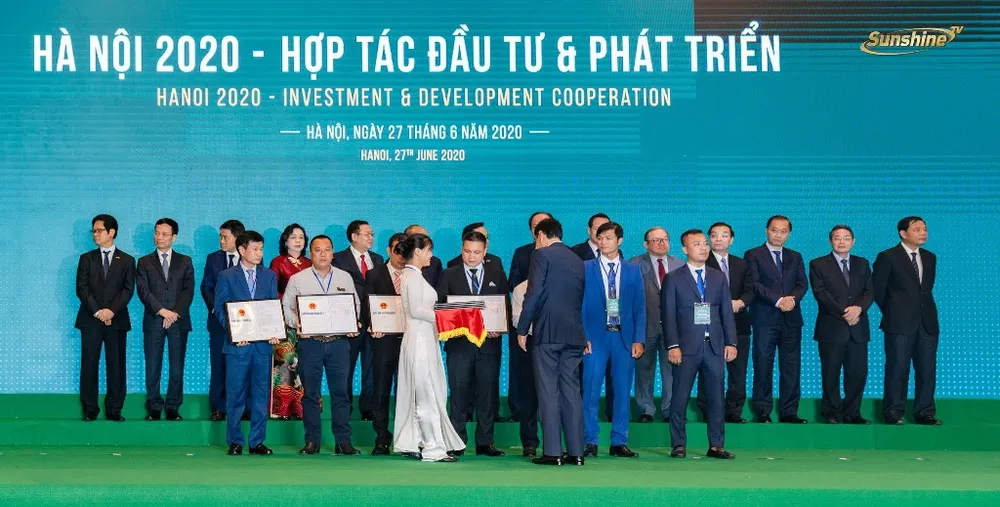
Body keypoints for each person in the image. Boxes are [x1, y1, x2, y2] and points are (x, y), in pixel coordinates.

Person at [661, 229, 738, 460]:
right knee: (680, 397)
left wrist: (731, 342)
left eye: (705, 243)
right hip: (685, 348)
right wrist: (672, 345)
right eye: (697, 244)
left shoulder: (718, 277)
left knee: (716, 398)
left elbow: (726, 312)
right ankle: (678, 444)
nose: (704, 248)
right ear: (685, 249)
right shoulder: (674, 278)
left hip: (714, 346)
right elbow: (668, 314)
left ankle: (716, 445)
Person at [516, 218, 587, 466]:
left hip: (547, 332)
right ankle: (576, 452)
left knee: (548, 392)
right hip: (574, 334)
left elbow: (533, 294)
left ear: (542, 235)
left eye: (536, 238)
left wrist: (522, 328)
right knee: (571, 392)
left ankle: (553, 452)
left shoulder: (541, 255)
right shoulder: (577, 259)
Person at [283, 235, 362, 455]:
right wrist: (296, 322)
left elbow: (354, 304)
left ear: (333, 253)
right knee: (310, 394)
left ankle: (343, 441)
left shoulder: (345, 277)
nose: (323, 254)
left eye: (327, 249)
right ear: (310, 254)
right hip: (311, 344)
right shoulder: (298, 279)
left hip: (338, 343)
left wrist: (353, 321)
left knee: (341, 393)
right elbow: (286, 306)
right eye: (318, 250)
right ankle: (312, 441)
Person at [392, 233, 465, 462]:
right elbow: (416, 310)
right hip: (419, 341)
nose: (431, 255)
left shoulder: (413, 275)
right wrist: (449, 316)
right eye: (428, 250)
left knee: (424, 392)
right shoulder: (412, 277)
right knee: (426, 393)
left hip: (423, 338)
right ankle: (433, 448)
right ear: (418, 252)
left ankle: (417, 441)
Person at [437, 231, 509, 457]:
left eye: (477, 252)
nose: (471, 256)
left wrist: (501, 327)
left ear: (485, 251)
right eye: (467, 251)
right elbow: (440, 309)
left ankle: (485, 442)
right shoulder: (448, 274)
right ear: (462, 249)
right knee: (458, 394)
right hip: (460, 345)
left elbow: (504, 307)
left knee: (487, 393)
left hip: (489, 345)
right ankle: (456, 441)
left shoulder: (498, 274)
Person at [581, 222, 645, 458]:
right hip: (594, 338)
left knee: (622, 390)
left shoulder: (633, 270)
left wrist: (639, 339)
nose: (603, 242)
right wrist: (582, 336)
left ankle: (619, 441)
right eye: (600, 238)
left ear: (620, 241)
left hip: (623, 338)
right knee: (590, 389)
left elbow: (640, 307)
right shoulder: (585, 268)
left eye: (608, 238)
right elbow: (578, 305)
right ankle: (589, 440)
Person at [214, 231, 281, 455]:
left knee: (261, 395)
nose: (259, 253)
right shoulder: (226, 276)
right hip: (238, 346)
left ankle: (256, 442)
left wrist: (273, 332)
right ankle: (235, 441)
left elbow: (271, 307)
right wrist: (235, 332)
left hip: (262, 346)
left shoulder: (269, 275)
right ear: (242, 250)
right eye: (255, 249)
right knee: (235, 395)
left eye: (261, 249)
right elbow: (220, 308)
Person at [873, 216, 940, 425]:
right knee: (897, 368)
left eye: (925, 229)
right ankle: (893, 412)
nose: (923, 233)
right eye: (917, 229)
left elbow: (925, 290)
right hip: (898, 322)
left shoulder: (930, 257)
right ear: (903, 233)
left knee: (927, 369)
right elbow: (878, 290)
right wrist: (893, 311)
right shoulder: (888, 256)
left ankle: (925, 412)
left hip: (927, 322)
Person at [744, 215, 808, 424]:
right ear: (766, 231)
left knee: (791, 366)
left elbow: (802, 283)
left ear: (788, 234)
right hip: (765, 318)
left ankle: (789, 411)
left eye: (783, 231)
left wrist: (791, 300)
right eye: (774, 230)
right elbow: (754, 284)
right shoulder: (753, 254)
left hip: (791, 319)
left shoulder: (795, 256)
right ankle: (763, 411)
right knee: (763, 364)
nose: (778, 235)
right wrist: (779, 301)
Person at [809, 225, 874, 424]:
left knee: (858, 372)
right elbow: (821, 293)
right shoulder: (818, 264)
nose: (841, 241)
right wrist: (845, 313)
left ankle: (852, 413)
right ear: (831, 241)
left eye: (846, 238)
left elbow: (870, 291)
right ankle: (831, 413)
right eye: (837, 238)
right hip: (832, 327)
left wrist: (858, 309)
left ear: (853, 241)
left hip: (858, 327)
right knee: (831, 372)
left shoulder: (862, 263)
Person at [76, 214, 135, 422]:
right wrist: (99, 312)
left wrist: (111, 311)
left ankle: (114, 409)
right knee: (89, 364)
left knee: (116, 365)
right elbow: (82, 289)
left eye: (99, 230)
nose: (95, 234)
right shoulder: (86, 258)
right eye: (93, 231)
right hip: (90, 319)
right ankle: (90, 409)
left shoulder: (127, 260)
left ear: (112, 232)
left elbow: (128, 290)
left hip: (117, 320)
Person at [136, 217, 194, 421]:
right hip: (154, 320)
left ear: (174, 237)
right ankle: (154, 407)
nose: (159, 237)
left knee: (177, 367)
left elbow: (188, 290)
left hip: (178, 321)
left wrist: (174, 313)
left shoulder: (185, 261)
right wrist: (162, 311)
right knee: (153, 365)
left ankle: (173, 407)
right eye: (157, 233)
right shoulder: (144, 262)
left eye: (164, 234)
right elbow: (143, 291)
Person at [697, 222, 754, 423]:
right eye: (714, 235)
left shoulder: (742, 264)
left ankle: (733, 411)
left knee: (738, 372)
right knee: (709, 370)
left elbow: (751, 288)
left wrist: (741, 302)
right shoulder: (701, 262)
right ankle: (709, 411)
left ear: (731, 239)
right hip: (709, 325)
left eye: (724, 235)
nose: (719, 239)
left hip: (739, 324)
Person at [629, 226, 684, 423]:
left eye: (665, 239)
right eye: (656, 240)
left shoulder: (680, 264)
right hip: (645, 326)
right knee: (644, 370)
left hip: (673, 329)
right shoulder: (634, 264)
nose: (662, 243)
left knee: (672, 371)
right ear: (646, 244)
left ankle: (670, 410)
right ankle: (646, 409)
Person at [363, 233, 408, 455]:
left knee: (408, 391)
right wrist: (372, 324)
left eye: (405, 251)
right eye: (397, 250)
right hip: (383, 341)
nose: (401, 255)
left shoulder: (416, 274)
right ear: (389, 250)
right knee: (381, 390)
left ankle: (407, 439)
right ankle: (381, 438)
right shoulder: (374, 274)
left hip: (409, 340)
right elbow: (366, 305)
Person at [333, 220, 381, 421]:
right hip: (349, 323)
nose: (371, 238)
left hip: (372, 323)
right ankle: (345, 408)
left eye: (372, 234)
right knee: (346, 368)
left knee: (371, 368)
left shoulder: (378, 259)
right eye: (367, 234)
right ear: (354, 236)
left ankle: (368, 409)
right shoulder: (338, 259)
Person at [507, 211, 552, 423]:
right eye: (535, 226)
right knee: (523, 375)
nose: (539, 229)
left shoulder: (563, 254)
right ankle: (521, 415)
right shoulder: (522, 252)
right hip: (525, 324)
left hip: (553, 330)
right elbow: (513, 282)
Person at [200, 219, 245, 421]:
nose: (221, 240)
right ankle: (218, 408)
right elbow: (206, 286)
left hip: (244, 323)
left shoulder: (250, 256)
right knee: (219, 365)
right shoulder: (213, 259)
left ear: (237, 238)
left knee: (242, 366)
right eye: (220, 236)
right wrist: (217, 309)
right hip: (218, 322)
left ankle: (243, 407)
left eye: (225, 237)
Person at [268, 223, 311, 419]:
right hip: (284, 319)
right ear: (285, 241)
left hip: (308, 319)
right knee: (286, 362)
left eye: (301, 237)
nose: (298, 240)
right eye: (293, 237)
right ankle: (282, 409)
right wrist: (289, 303)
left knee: (306, 362)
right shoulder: (278, 262)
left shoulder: (310, 263)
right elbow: (272, 290)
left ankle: (302, 408)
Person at [510, 280, 539, 457]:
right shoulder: (521, 288)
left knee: (558, 394)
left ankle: (559, 442)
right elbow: (516, 319)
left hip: (556, 341)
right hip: (529, 340)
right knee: (528, 394)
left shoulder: (561, 282)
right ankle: (529, 442)